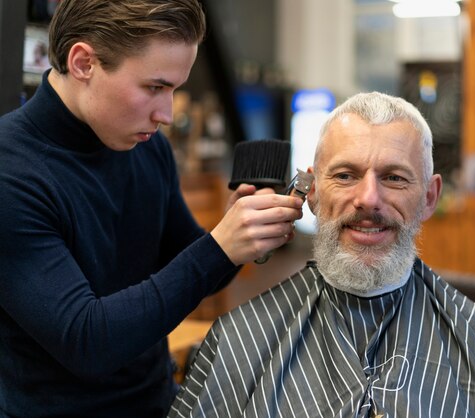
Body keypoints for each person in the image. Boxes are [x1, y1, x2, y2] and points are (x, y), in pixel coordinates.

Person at [169, 92, 475, 418]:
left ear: (429, 197)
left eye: (394, 177)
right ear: (313, 194)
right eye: (345, 175)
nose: (369, 199)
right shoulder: (239, 341)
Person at [0, 1, 303, 417]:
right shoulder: (10, 173)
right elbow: (88, 342)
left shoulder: (146, 147)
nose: (166, 115)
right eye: (154, 87)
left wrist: (242, 233)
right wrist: (218, 248)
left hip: (159, 403)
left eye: (175, 89)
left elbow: (193, 267)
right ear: (84, 62)